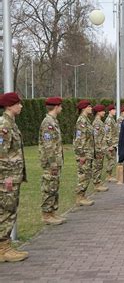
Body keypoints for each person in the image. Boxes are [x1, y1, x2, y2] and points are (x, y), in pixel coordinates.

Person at [0, 92, 29, 262]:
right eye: (18, 103)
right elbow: (1, 154)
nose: (21, 106)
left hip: (12, 175)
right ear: (10, 106)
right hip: (6, 178)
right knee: (6, 211)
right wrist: (7, 177)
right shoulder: (4, 125)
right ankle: (4, 248)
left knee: (10, 210)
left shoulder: (11, 124)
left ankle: (5, 246)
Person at [39, 97, 65, 226]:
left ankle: (52, 212)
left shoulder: (53, 121)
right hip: (51, 163)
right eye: (60, 106)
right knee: (49, 187)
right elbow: (48, 145)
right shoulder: (48, 123)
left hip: (55, 161)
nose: (61, 108)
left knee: (54, 187)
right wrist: (53, 163)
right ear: (56, 107)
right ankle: (46, 214)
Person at [74, 100, 95, 206]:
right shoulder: (81, 121)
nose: (91, 108)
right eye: (89, 106)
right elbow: (79, 139)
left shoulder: (86, 120)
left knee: (87, 174)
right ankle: (79, 197)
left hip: (88, 153)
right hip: (84, 154)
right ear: (84, 108)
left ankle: (82, 195)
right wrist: (81, 154)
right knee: (83, 175)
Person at [92, 104, 108, 192]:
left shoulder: (100, 122)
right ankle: (96, 183)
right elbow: (96, 137)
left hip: (101, 148)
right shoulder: (97, 123)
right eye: (102, 111)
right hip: (98, 149)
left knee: (99, 166)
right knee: (97, 166)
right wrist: (98, 149)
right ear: (98, 112)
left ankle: (98, 182)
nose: (104, 112)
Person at [104, 104, 118, 182]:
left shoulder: (112, 119)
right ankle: (108, 176)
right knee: (111, 159)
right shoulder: (109, 120)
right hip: (110, 143)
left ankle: (110, 175)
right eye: (114, 110)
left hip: (113, 143)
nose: (115, 111)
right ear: (110, 111)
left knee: (112, 159)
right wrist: (110, 145)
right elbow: (107, 133)